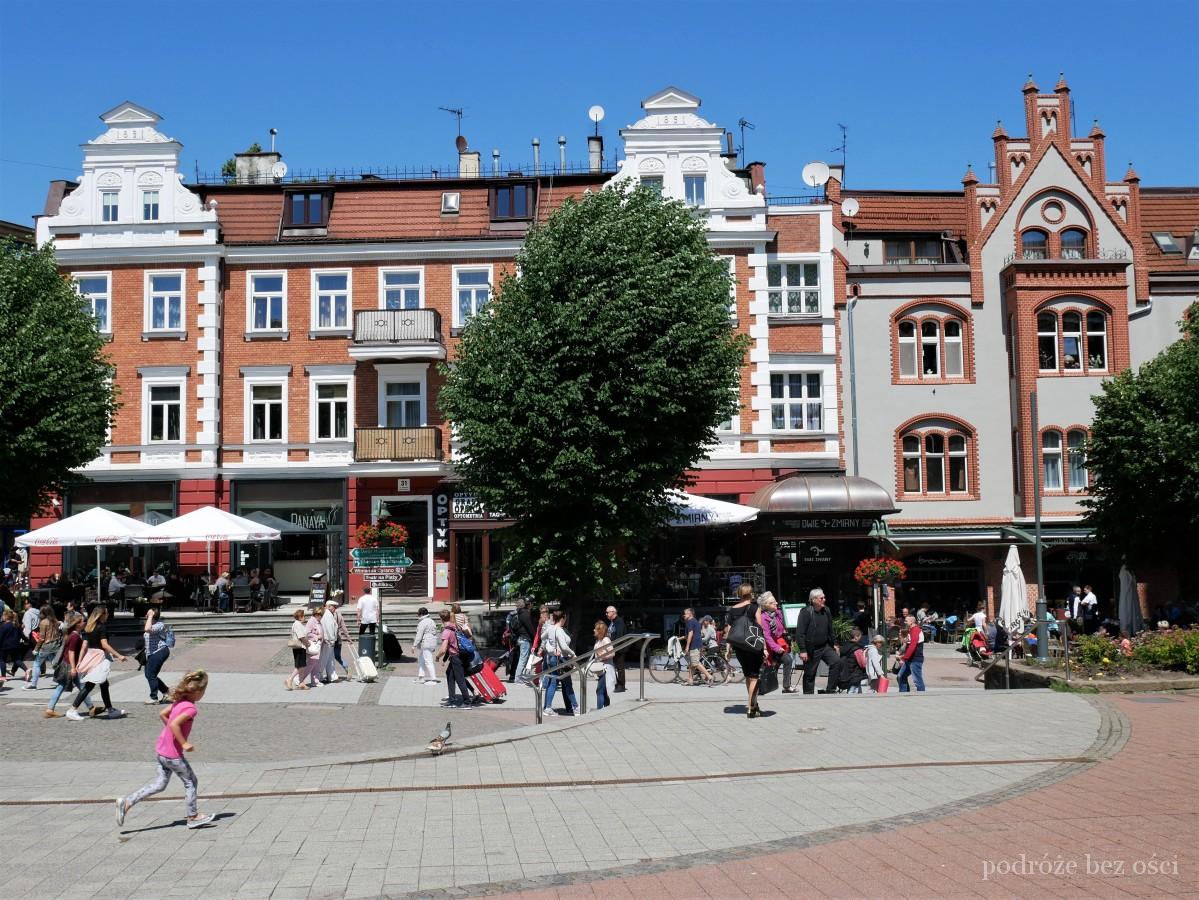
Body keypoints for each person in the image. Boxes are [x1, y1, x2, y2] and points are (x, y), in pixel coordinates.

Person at [115, 670, 214, 830]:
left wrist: (169, 734)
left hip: (162, 751)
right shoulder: (190, 708)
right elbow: (174, 724)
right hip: (174, 755)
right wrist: (183, 743)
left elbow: (162, 714)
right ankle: (193, 817)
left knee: (160, 784)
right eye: (203, 691)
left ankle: (127, 802)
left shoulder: (178, 702)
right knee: (191, 782)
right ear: (197, 692)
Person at [67, 605, 127, 720]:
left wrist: (80, 661)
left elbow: (85, 645)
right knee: (90, 685)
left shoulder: (90, 627)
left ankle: (110, 710)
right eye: (107, 613)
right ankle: (72, 709)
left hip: (91, 655)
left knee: (104, 684)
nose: (108, 615)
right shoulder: (102, 627)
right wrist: (119, 655)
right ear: (102, 615)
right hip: (99, 657)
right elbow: (104, 644)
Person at [725, 584, 765, 718]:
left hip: (739, 647)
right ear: (751, 593)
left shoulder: (732, 610)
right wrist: (764, 648)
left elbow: (729, 631)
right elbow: (760, 629)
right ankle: (751, 707)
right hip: (753, 645)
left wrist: (728, 649)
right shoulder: (754, 607)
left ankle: (754, 703)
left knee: (748, 675)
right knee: (754, 676)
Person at [46, 613, 94, 717]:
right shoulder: (74, 636)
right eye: (82, 621)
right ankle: (91, 708)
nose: (85, 622)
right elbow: (71, 652)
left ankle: (91, 707)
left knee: (79, 687)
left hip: (67, 664)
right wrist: (73, 668)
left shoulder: (73, 634)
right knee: (77, 686)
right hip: (69, 666)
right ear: (77, 624)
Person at [796, 587, 840, 695]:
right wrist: (802, 650)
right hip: (811, 649)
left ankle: (831, 689)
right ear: (814, 600)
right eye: (821, 598)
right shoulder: (806, 612)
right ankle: (808, 694)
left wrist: (834, 643)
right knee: (810, 673)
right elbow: (800, 633)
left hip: (824, 646)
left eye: (824, 597)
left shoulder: (826, 610)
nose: (824, 599)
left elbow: (830, 629)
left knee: (836, 662)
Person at [542, 610, 578, 716]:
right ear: (562, 619)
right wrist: (573, 654)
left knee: (553, 682)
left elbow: (542, 637)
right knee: (566, 683)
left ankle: (548, 707)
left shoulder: (550, 628)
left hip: (553, 658)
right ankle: (575, 707)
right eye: (565, 618)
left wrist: (551, 649)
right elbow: (563, 646)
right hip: (561, 659)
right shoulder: (559, 630)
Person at [759, 592, 795, 693]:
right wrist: (775, 648)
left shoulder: (777, 614)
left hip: (779, 642)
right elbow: (766, 636)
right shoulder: (763, 617)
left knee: (786, 660)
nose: (776, 603)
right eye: (772, 602)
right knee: (772, 666)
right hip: (770, 646)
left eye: (775, 601)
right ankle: (765, 686)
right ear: (766, 605)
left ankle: (786, 686)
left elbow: (782, 627)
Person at [436, 609, 470, 708]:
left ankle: (467, 702)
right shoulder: (454, 626)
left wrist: (438, 657)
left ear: (441, 618)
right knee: (449, 675)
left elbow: (443, 649)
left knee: (460, 680)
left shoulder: (446, 631)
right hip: (457, 656)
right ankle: (452, 700)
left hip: (456, 657)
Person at [142, 608, 172, 704]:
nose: (146, 615)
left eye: (148, 614)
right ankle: (167, 692)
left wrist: (150, 616)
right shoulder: (150, 623)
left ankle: (154, 697)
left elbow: (147, 630)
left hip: (160, 651)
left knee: (151, 674)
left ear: (153, 615)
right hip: (151, 653)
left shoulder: (159, 625)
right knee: (149, 674)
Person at [29, 606, 61, 689]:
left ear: (44, 613)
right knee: (56, 665)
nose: (39, 614)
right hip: (56, 645)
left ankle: (33, 684)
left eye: (40, 613)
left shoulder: (43, 622)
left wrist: (36, 649)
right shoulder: (55, 621)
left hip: (46, 646)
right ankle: (62, 681)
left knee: (36, 664)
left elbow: (42, 638)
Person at [681, 607, 712, 686]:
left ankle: (709, 676)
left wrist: (687, 646)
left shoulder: (690, 622)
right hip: (698, 644)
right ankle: (690, 680)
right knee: (692, 664)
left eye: (685, 613)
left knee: (695, 663)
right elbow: (696, 634)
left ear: (690, 614)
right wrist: (680, 638)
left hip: (694, 644)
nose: (683, 615)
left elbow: (690, 634)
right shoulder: (695, 621)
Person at [897, 614, 926, 692]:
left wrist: (904, 658)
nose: (905, 622)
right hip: (910, 659)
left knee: (917, 680)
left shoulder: (916, 630)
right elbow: (909, 645)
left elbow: (912, 646)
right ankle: (904, 694)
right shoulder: (911, 630)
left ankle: (922, 696)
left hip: (915, 660)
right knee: (901, 676)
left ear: (912, 622)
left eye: (906, 620)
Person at [283, 608, 310, 691]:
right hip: (300, 647)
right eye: (303, 616)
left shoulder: (299, 624)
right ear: (300, 617)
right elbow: (301, 636)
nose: (304, 617)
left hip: (301, 647)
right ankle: (289, 679)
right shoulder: (297, 624)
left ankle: (301, 683)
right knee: (300, 666)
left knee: (302, 666)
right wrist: (307, 642)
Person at [326, 600, 353, 681]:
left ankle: (330, 675)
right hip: (337, 639)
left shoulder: (329, 615)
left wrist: (348, 638)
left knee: (329, 657)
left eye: (334, 607)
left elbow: (343, 627)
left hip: (332, 640)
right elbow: (343, 627)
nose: (334, 608)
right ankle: (345, 667)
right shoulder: (338, 614)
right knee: (337, 656)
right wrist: (348, 638)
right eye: (333, 606)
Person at [591, 620, 616, 709]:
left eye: (595, 629)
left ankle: (599, 710)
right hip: (600, 668)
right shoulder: (599, 640)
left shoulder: (606, 640)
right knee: (604, 691)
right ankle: (607, 708)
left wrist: (602, 656)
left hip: (605, 668)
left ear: (600, 630)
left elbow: (612, 653)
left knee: (599, 690)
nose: (594, 630)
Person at [412, 607, 440, 684]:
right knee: (422, 659)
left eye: (418, 614)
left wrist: (414, 645)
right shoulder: (432, 621)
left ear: (421, 614)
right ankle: (421, 677)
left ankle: (433, 679)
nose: (417, 616)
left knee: (428, 661)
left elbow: (419, 635)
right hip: (431, 642)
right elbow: (435, 633)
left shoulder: (423, 622)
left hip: (426, 643)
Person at [604, 605, 627, 692]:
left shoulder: (619, 621)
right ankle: (617, 683)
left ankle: (621, 685)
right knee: (615, 667)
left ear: (613, 612)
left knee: (620, 667)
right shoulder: (612, 622)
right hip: (613, 648)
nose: (606, 614)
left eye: (607, 612)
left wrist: (613, 647)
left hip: (619, 648)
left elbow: (619, 635)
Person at [838, 627, 868, 692]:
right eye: (860, 637)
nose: (861, 638)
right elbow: (862, 664)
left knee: (854, 689)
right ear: (856, 637)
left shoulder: (845, 646)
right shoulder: (857, 648)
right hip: (855, 673)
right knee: (853, 690)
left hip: (847, 673)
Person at [513, 599, 536, 686]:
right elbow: (530, 627)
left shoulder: (519, 613)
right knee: (523, 659)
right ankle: (518, 678)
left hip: (521, 638)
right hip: (525, 639)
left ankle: (520, 677)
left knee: (524, 659)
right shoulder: (525, 614)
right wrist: (535, 637)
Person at [0, 610, 25, 678]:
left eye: (3, 615)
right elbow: (21, 635)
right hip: (15, 645)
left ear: (5, 617)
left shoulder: (3, 626)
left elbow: (1, 637)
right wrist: (26, 640)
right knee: (16, 659)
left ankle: (3, 676)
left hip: (4, 646)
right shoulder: (16, 625)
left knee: (2, 660)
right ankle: (27, 670)